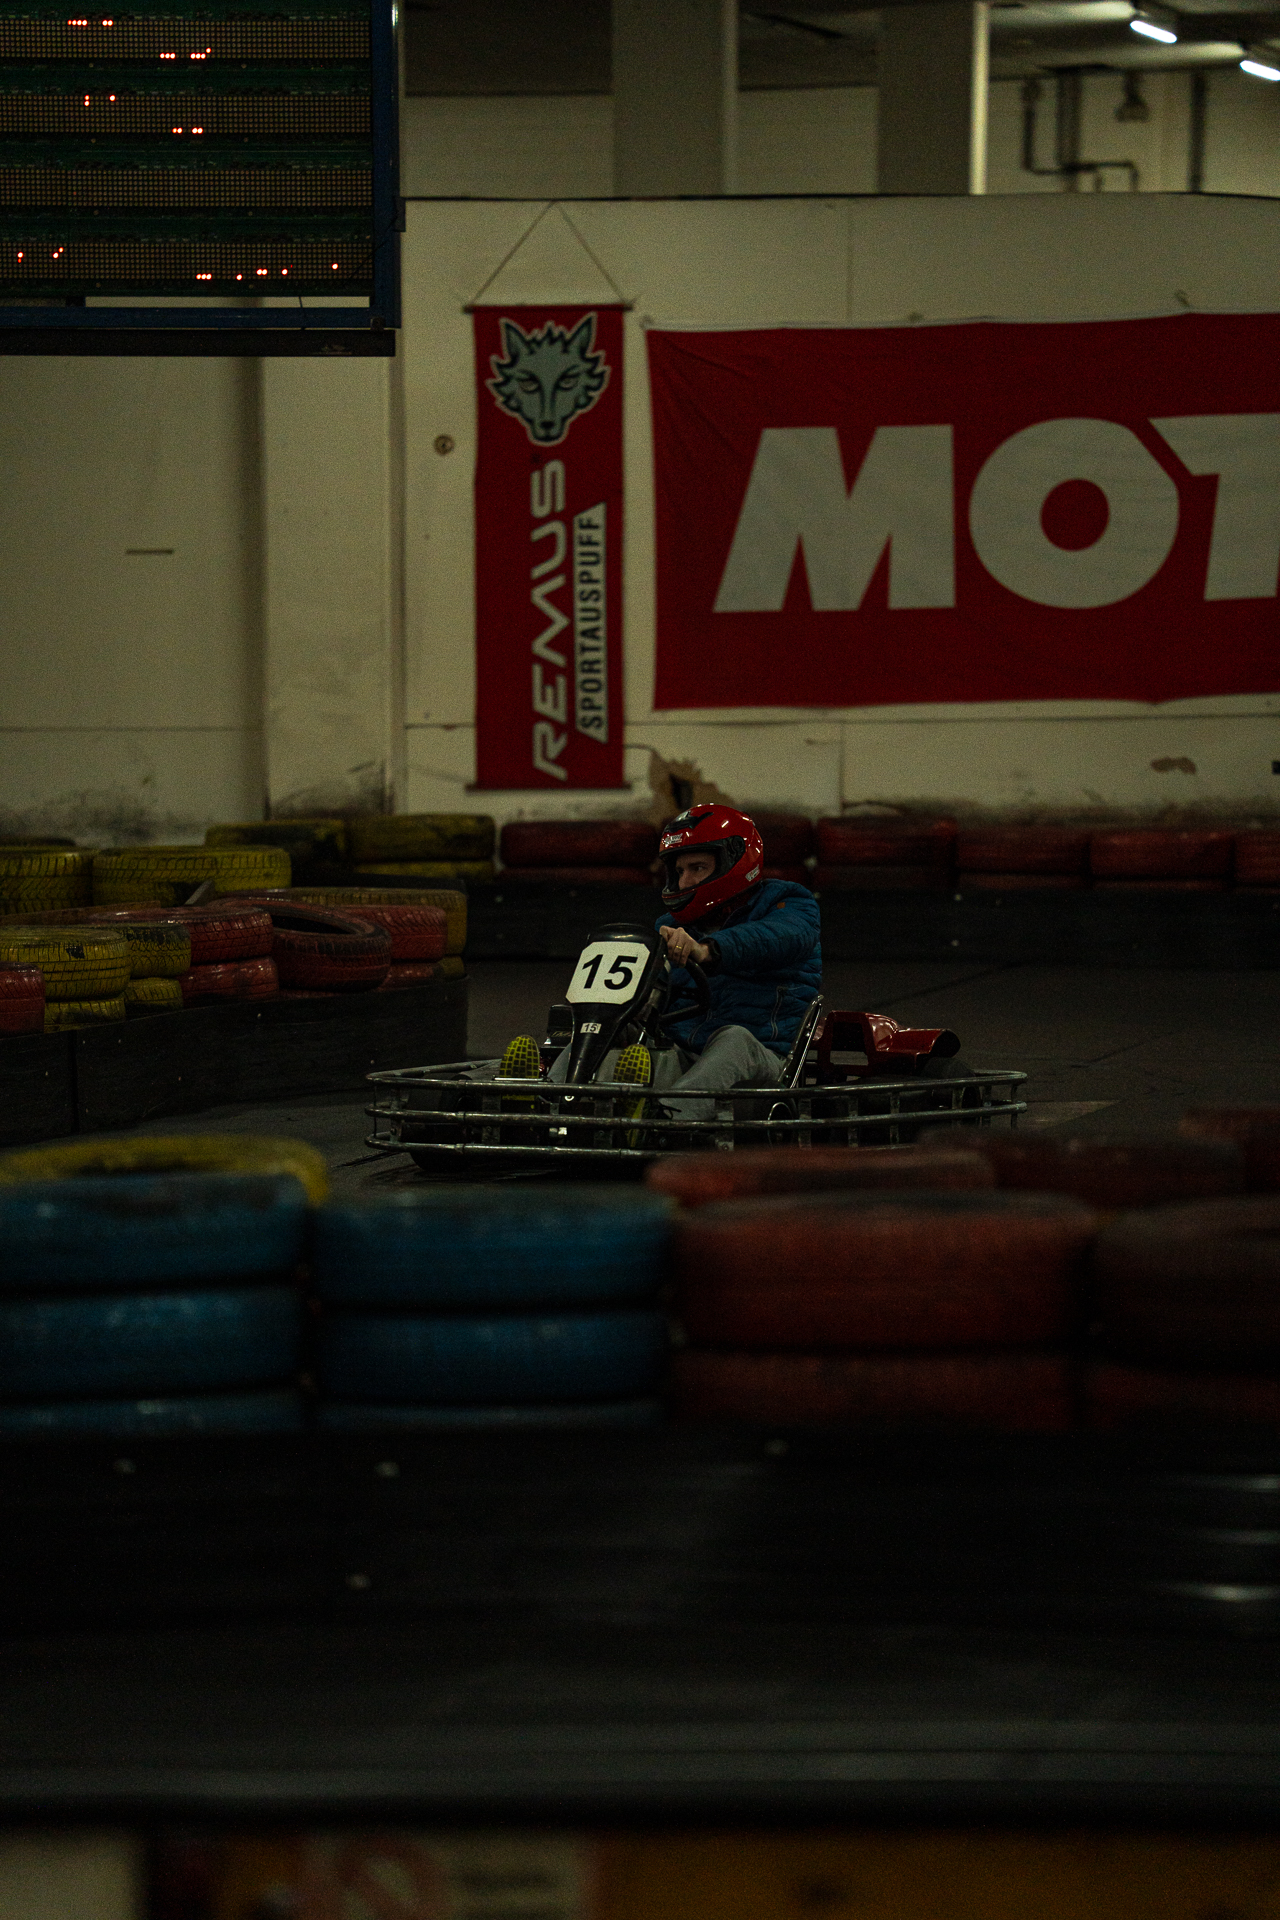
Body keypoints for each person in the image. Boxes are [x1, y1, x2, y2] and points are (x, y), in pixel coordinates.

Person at [500, 805, 821, 1102]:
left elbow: (775, 937)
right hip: (684, 1055)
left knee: (733, 1038)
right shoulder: (672, 927)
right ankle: (549, 1100)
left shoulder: (790, 905)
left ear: (735, 860)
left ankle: (670, 1117)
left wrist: (706, 950)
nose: (685, 880)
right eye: (679, 871)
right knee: (613, 1029)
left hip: (761, 1057)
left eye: (697, 867)